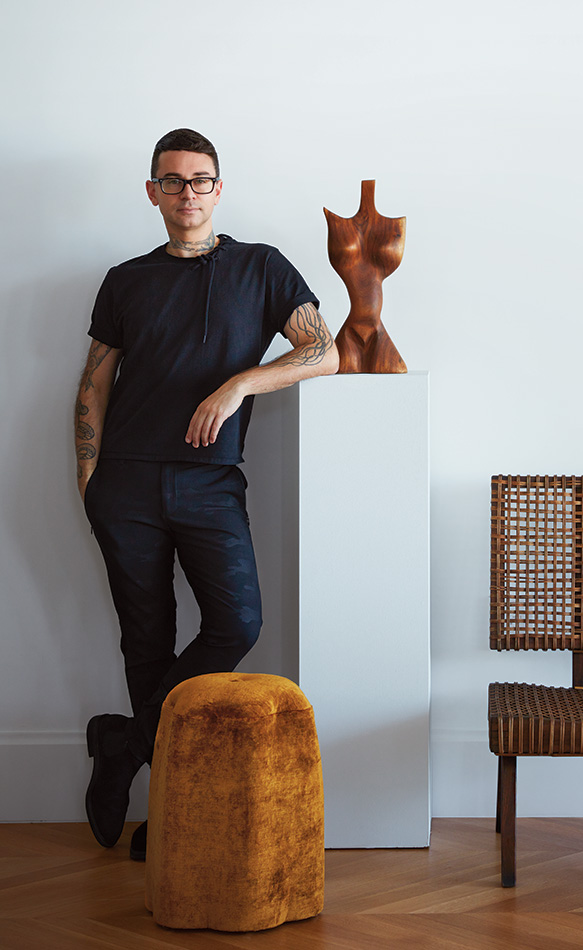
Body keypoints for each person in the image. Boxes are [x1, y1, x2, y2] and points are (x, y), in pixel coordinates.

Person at [75, 128, 338, 860]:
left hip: (210, 483)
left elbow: (326, 351)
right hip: (123, 482)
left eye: (200, 180)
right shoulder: (125, 279)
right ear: (152, 191)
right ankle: (171, 807)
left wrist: (239, 383)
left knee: (237, 623)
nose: (186, 193)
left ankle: (122, 745)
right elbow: (96, 380)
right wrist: (87, 478)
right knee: (146, 640)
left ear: (219, 190)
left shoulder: (262, 269)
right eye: (172, 180)